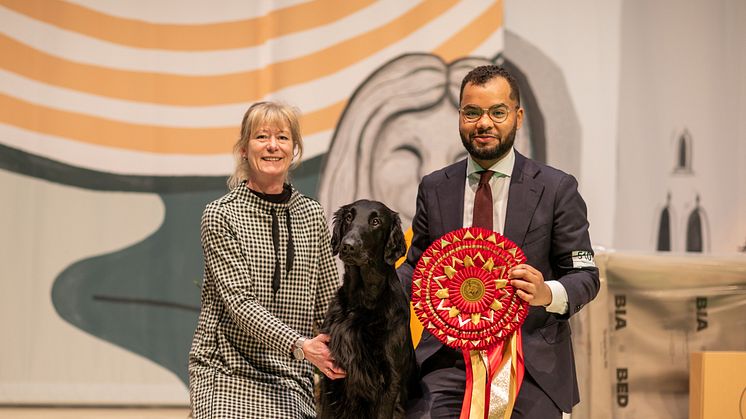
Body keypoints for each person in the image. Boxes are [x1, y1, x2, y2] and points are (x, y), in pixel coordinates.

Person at [398, 65, 600, 418]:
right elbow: (417, 267)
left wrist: (547, 293)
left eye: (497, 111)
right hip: (446, 361)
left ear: (518, 116)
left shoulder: (557, 189)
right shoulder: (434, 188)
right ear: (460, 117)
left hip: (532, 363)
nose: (484, 123)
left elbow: (585, 276)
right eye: (471, 112)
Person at [188, 101, 345, 418]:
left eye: (283, 138)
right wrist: (302, 345)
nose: (273, 146)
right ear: (244, 149)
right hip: (227, 372)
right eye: (261, 137)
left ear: (294, 149)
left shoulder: (311, 214)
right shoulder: (221, 214)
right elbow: (239, 303)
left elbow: (328, 300)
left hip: (290, 376)